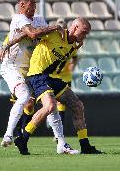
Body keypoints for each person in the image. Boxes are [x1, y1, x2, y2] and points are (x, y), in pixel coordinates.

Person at [0, 0, 78, 155]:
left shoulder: (39, 19)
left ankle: (61, 143)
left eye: (35, 6)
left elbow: (42, 36)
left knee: (49, 103)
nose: (34, 9)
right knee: (24, 96)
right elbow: (33, 34)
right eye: (31, 6)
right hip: (12, 67)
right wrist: (55, 26)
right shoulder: (19, 19)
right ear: (22, 5)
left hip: (32, 70)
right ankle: (8, 135)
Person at [17, 17, 103, 154]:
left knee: (77, 105)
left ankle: (85, 145)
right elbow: (31, 34)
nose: (85, 36)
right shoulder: (56, 34)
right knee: (50, 106)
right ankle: (23, 138)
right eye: (84, 32)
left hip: (51, 77)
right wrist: (8, 44)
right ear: (74, 28)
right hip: (37, 75)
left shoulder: (73, 45)